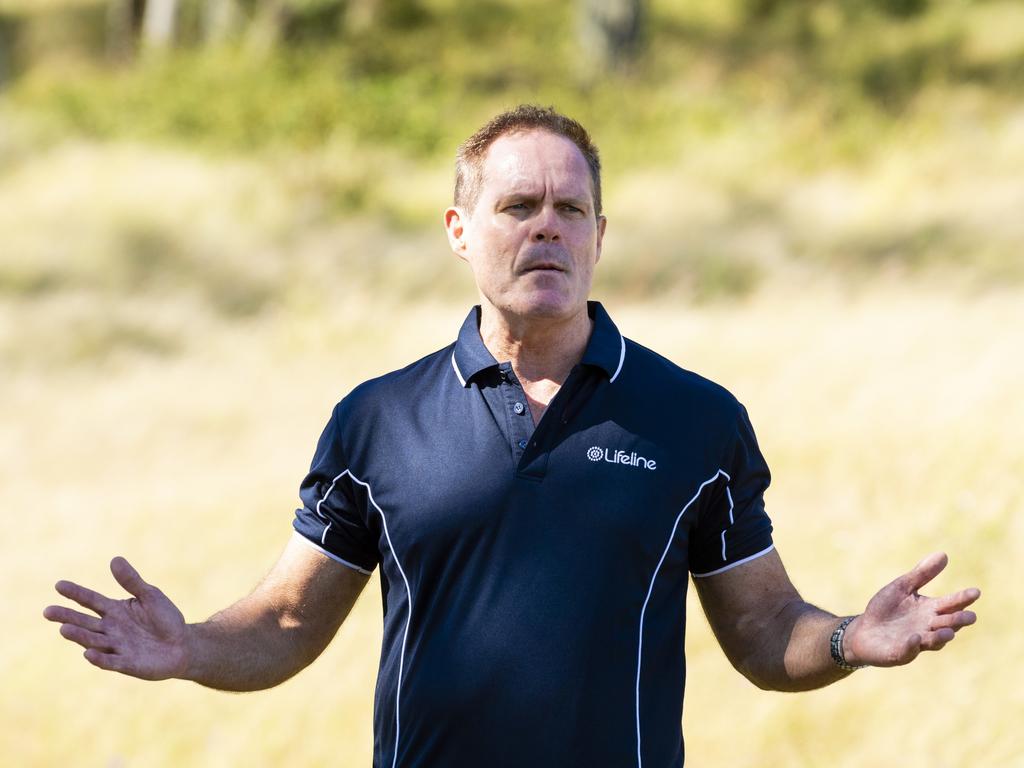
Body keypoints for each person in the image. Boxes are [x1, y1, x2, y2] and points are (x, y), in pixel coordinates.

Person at [44, 105, 980, 767]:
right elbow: (289, 622)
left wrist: (855, 637)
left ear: (601, 234)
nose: (548, 231)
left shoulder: (695, 421)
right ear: (460, 229)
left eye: (571, 210)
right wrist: (191, 648)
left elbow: (766, 630)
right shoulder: (376, 420)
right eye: (517, 207)